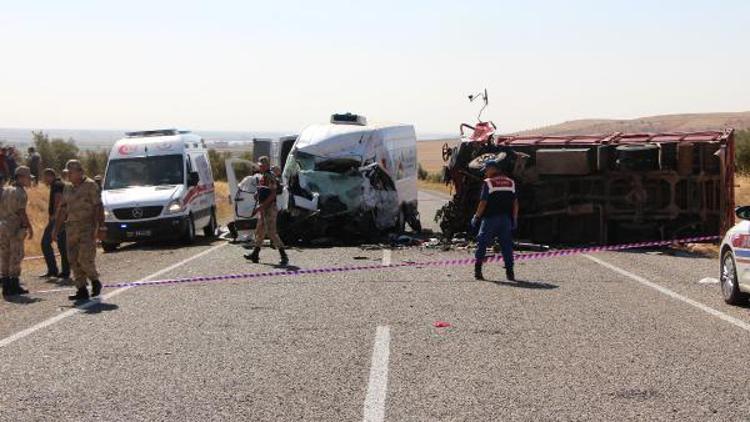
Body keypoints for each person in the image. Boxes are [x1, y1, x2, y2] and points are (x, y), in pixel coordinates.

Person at [52, 160, 106, 301]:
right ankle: (81, 289)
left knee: (84, 258)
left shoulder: (90, 186)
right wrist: (55, 230)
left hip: (87, 227)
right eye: (67, 173)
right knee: (73, 259)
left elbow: (98, 207)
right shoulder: (68, 188)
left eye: (71, 172)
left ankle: (95, 281)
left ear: (80, 172)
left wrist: (101, 226)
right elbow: (62, 209)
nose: (68, 175)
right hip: (71, 229)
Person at [471, 159, 519, 281]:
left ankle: (478, 271)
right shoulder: (510, 182)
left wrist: (476, 216)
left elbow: (483, 202)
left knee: (482, 243)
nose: (485, 173)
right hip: (506, 220)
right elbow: (515, 203)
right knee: (507, 246)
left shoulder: (488, 183)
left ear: (492, 169)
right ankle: (510, 273)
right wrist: (514, 218)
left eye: (486, 170)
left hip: (490, 220)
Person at [244, 156, 288, 266]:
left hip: (270, 208)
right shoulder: (263, 176)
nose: (260, 167)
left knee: (271, 232)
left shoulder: (270, 176)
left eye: (262, 165)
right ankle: (255, 254)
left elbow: (272, 194)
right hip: (264, 207)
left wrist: (261, 207)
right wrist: (257, 195)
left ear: (267, 165)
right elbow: (264, 190)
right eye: (259, 165)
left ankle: (284, 256)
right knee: (260, 231)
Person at [0, 166, 33, 296]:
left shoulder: (5, 190)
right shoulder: (20, 192)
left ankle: (6, 286)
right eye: (28, 178)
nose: (29, 180)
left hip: (3, 226)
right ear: (20, 177)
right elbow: (21, 212)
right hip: (14, 228)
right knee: (16, 255)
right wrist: (29, 227)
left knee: (4, 255)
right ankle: (14, 285)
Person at [40, 168, 70, 279]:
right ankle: (64, 271)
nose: (44, 180)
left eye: (44, 177)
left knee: (45, 243)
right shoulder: (59, 183)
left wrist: (54, 216)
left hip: (58, 218)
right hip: (61, 217)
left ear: (49, 176)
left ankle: (54, 270)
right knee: (62, 244)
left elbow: (58, 199)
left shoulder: (56, 184)